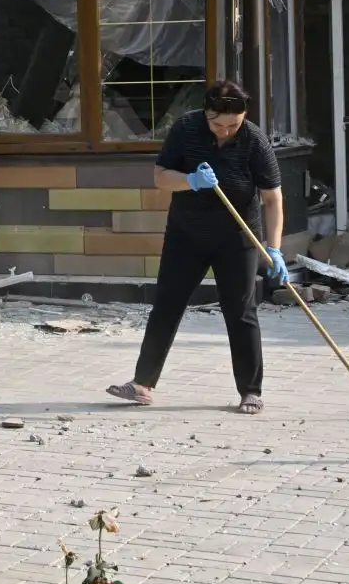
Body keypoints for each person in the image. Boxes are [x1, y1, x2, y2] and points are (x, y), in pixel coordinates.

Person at [106, 79, 284, 415]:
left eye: (234, 124)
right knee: (167, 305)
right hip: (186, 235)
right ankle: (142, 384)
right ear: (206, 113)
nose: (225, 131)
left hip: (238, 239)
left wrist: (273, 249)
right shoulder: (186, 129)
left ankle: (250, 391)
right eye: (218, 124)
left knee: (241, 311)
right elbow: (160, 176)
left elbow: (272, 199)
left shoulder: (254, 140)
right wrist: (189, 181)